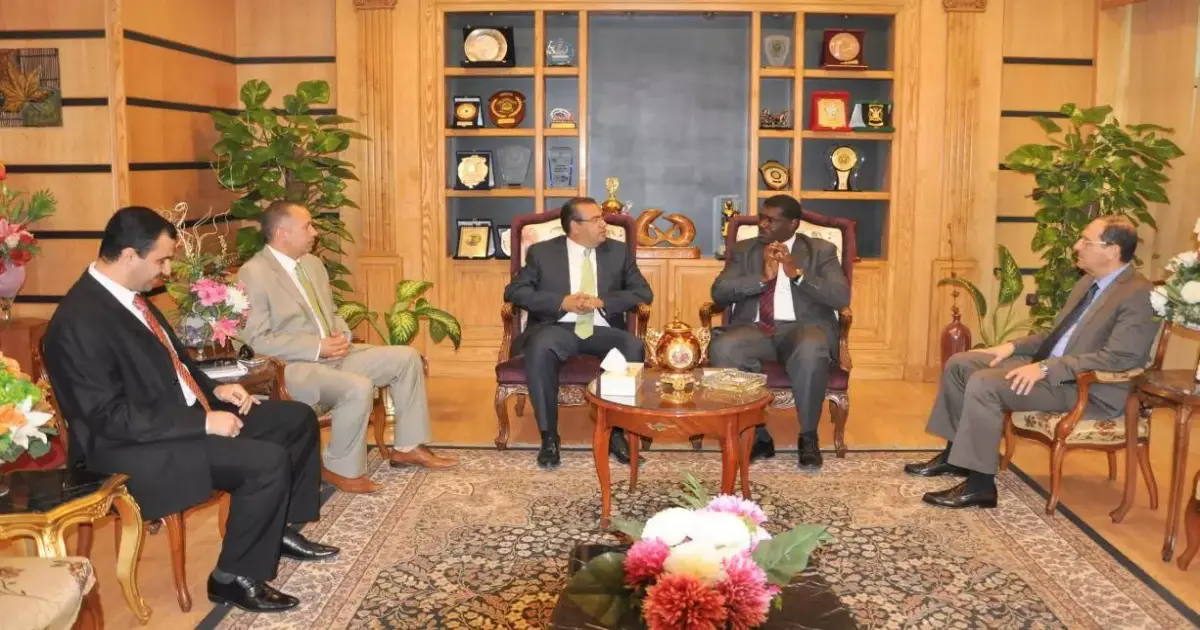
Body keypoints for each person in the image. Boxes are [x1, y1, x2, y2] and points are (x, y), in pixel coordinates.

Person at [42, 206, 336, 613]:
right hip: (130, 449)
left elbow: (175, 365)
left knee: (295, 418)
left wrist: (217, 391)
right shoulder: (78, 321)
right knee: (264, 462)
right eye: (161, 260)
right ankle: (231, 578)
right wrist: (203, 423)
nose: (167, 270)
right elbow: (108, 418)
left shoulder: (129, 297)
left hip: (174, 421)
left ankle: (278, 528)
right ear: (129, 256)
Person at [906, 216, 1158, 509]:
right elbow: (1057, 334)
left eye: (1086, 241)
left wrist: (1045, 368)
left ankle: (980, 486)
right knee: (961, 364)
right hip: (1053, 369)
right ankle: (955, 458)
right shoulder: (1089, 282)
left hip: (1084, 387)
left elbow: (1120, 357)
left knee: (985, 384)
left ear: (1112, 250)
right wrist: (1011, 347)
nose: (1077, 246)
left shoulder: (1138, 293)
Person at [238, 201, 457, 494]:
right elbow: (257, 340)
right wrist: (318, 347)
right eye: (307, 226)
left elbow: (331, 312)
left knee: (406, 358)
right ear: (282, 233)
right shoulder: (254, 273)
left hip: (336, 354)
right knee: (357, 386)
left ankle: (407, 447)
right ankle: (341, 469)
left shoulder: (312, 264)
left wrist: (341, 333)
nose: (315, 232)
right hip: (294, 367)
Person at [502, 197, 653, 470]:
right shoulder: (542, 253)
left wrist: (603, 301)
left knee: (632, 346)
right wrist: (561, 302)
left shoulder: (617, 252)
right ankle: (549, 438)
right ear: (575, 226)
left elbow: (643, 292)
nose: (604, 224)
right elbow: (515, 292)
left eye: (602, 218)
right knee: (541, 346)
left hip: (601, 327)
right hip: (557, 327)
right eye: (595, 219)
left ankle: (617, 434)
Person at [708, 194, 849, 470]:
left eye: (771, 220)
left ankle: (808, 437)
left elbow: (840, 296)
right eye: (762, 218)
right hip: (755, 329)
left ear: (793, 224)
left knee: (811, 347)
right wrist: (762, 279)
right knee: (724, 346)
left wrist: (797, 274)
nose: (762, 224)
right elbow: (719, 292)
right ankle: (758, 435)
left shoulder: (821, 250)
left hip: (803, 329)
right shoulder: (743, 250)